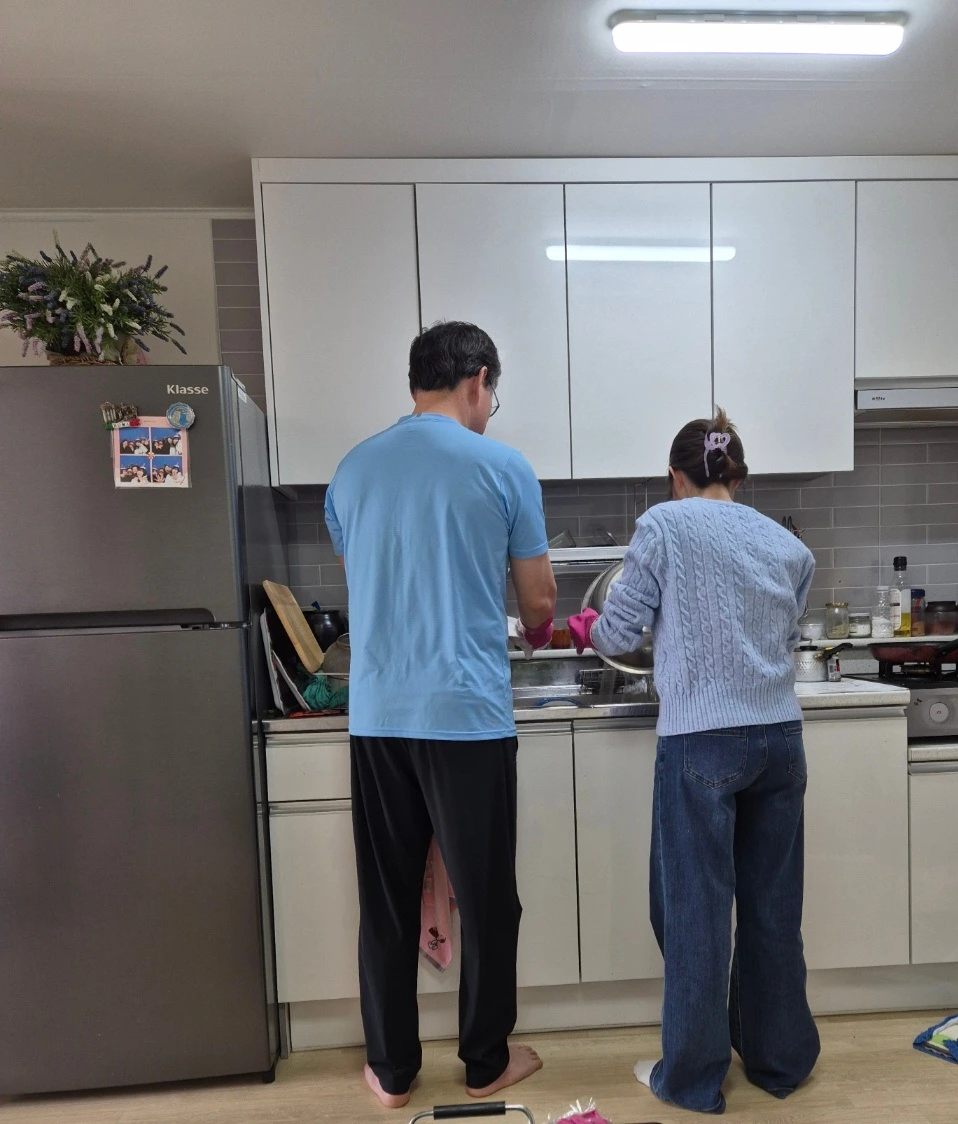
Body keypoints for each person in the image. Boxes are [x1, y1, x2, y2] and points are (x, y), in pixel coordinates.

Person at [325, 320, 556, 1111]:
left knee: (388, 897)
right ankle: (485, 1062)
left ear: (414, 384)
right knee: (486, 900)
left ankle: (391, 1072)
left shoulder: (352, 470)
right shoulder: (503, 466)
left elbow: (369, 579)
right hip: (466, 717)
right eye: (494, 394)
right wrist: (531, 625)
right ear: (479, 380)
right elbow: (539, 605)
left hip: (378, 714)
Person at [568, 410, 820, 1116]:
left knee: (694, 914)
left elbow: (620, 630)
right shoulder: (786, 544)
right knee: (773, 909)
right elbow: (781, 633)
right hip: (780, 739)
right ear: (737, 476)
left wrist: (589, 629)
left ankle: (691, 1079)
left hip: (702, 740)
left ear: (676, 476)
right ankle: (780, 1062)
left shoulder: (663, 525)